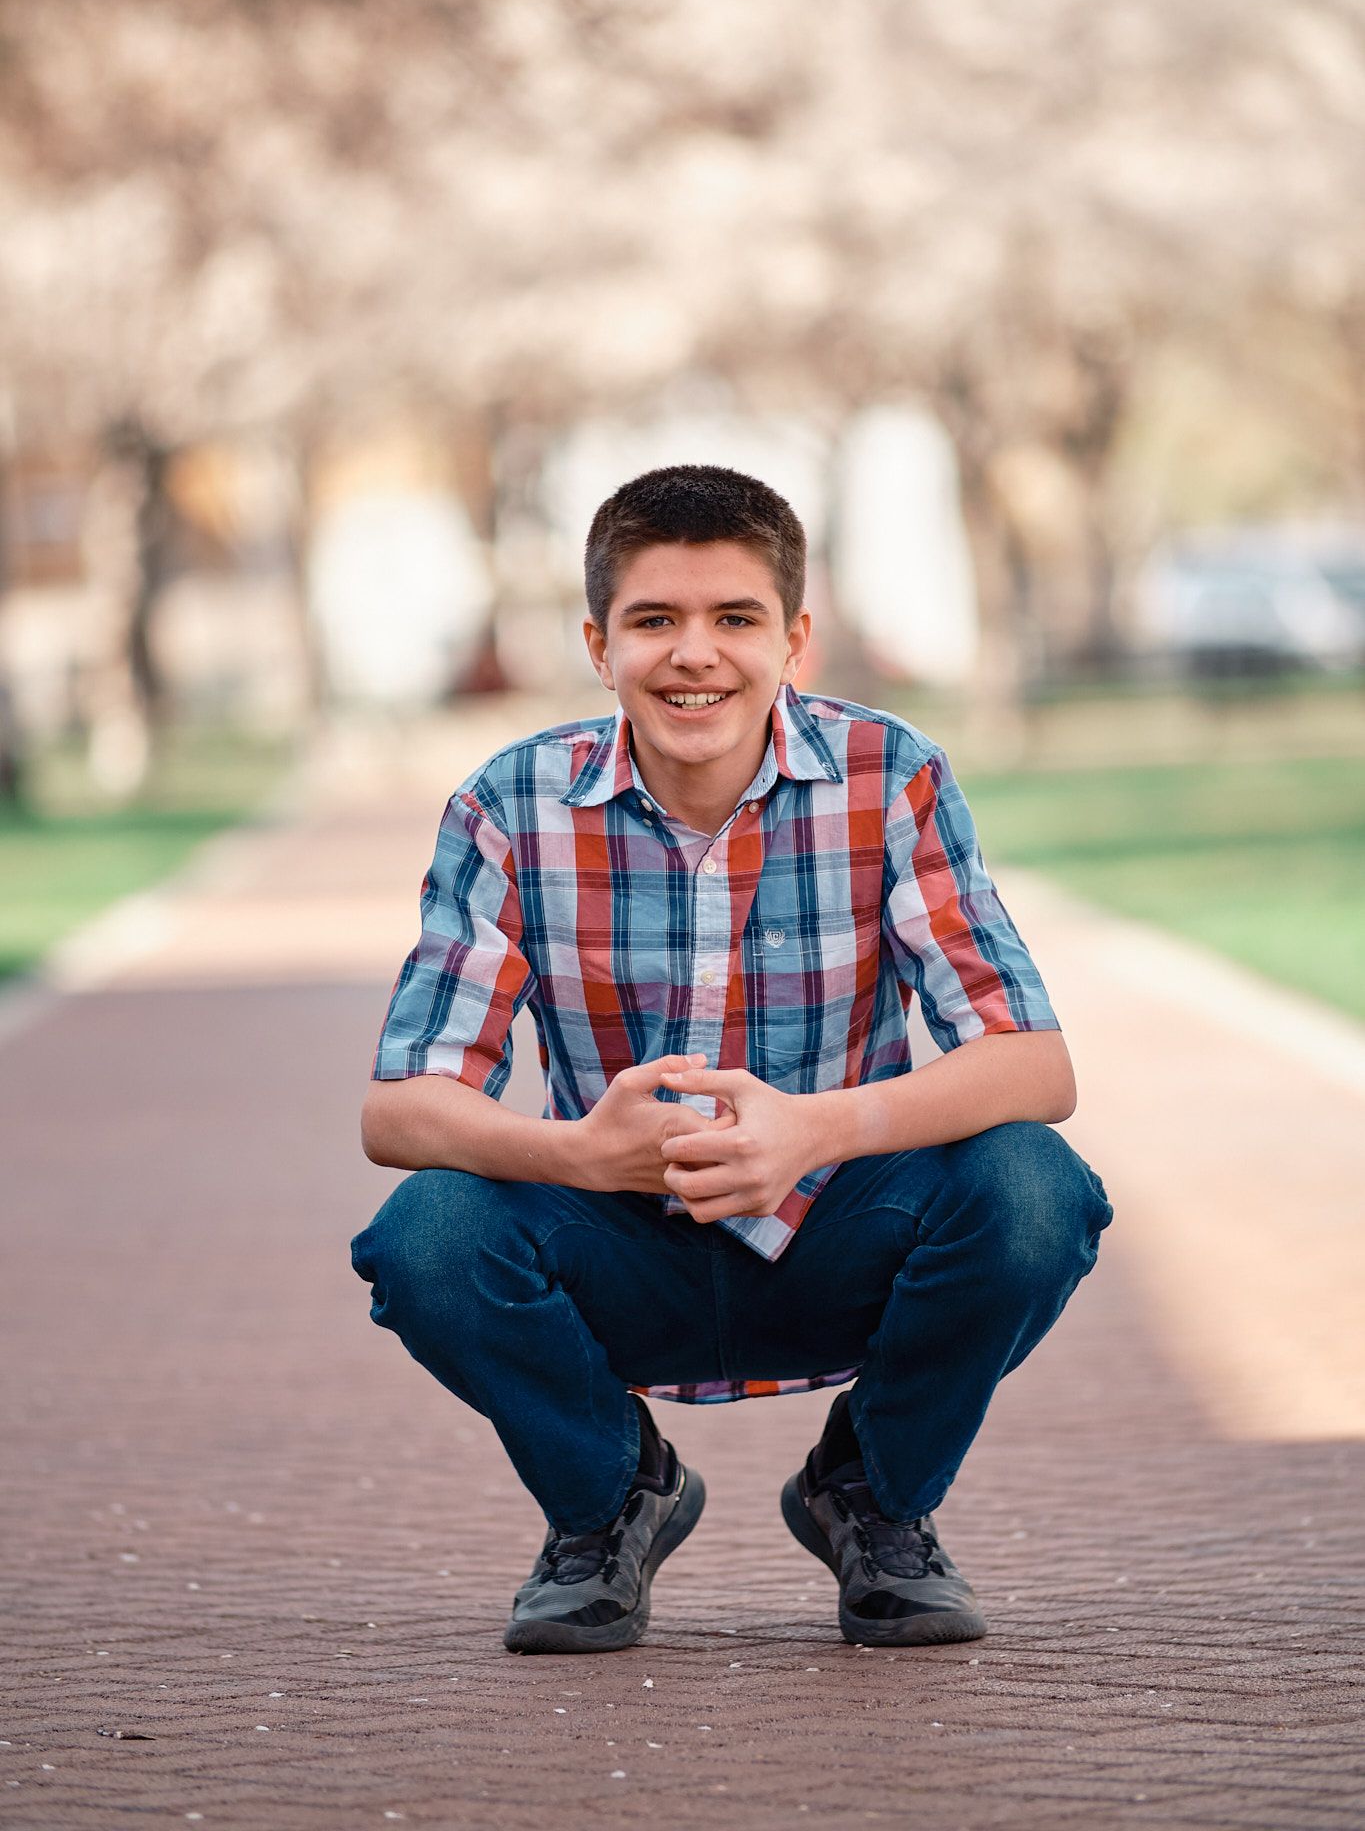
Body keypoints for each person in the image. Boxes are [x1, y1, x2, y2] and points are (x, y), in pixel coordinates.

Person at [351, 463, 1113, 1655]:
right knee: (426, 1233)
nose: (693, 653)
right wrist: (581, 1154)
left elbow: (1035, 1066)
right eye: (655, 620)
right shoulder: (509, 803)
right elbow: (400, 1107)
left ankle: (873, 1494)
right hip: (619, 1244)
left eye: (735, 618)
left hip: (840, 1232)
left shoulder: (890, 775)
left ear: (794, 638)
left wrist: (815, 1131)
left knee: (1036, 1187)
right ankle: (611, 1502)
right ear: (600, 643)